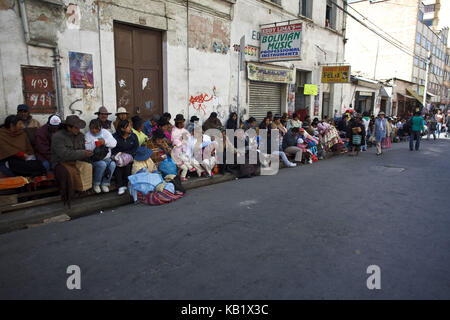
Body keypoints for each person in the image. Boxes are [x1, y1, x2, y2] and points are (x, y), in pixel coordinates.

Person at [51, 115, 93, 207]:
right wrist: (83, 153)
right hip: (60, 162)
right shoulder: (57, 137)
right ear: (68, 127)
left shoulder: (80, 135)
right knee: (68, 172)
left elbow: (83, 149)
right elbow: (64, 154)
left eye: (79, 127)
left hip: (76, 160)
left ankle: (84, 190)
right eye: (76, 127)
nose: (78, 129)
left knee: (88, 166)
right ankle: (69, 195)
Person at [85, 119, 117, 193]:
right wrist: (94, 143)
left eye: (96, 128)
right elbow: (87, 148)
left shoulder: (105, 132)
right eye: (92, 128)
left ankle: (105, 183)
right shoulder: (87, 135)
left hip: (106, 157)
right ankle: (96, 183)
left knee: (112, 164)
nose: (94, 130)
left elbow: (114, 143)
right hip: (94, 158)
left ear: (100, 127)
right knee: (102, 164)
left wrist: (104, 142)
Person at [112, 120, 139, 195]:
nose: (130, 128)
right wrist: (119, 155)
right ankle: (120, 186)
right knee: (118, 164)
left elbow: (135, 148)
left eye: (130, 126)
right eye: (128, 126)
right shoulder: (115, 137)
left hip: (130, 156)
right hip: (118, 156)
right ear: (122, 129)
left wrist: (128, 155)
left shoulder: (133, 136)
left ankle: (125, 184)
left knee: (128, 164)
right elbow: (112, 148)